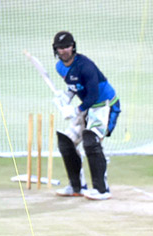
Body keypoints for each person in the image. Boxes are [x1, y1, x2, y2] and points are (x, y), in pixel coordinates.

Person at [51, 31, 121, 201]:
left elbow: (92, 94)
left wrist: (75, 111)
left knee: (91, 140)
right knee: (66, 141)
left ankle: (102, 190)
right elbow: (76, 86)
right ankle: (77, 187)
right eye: (61, 47)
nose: (64, 50)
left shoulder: (85, 66)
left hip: (105, 105)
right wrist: (66, 96)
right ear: (56, 49)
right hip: (89, 107)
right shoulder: (60, 67)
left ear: (73, 46)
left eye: (67, 46)